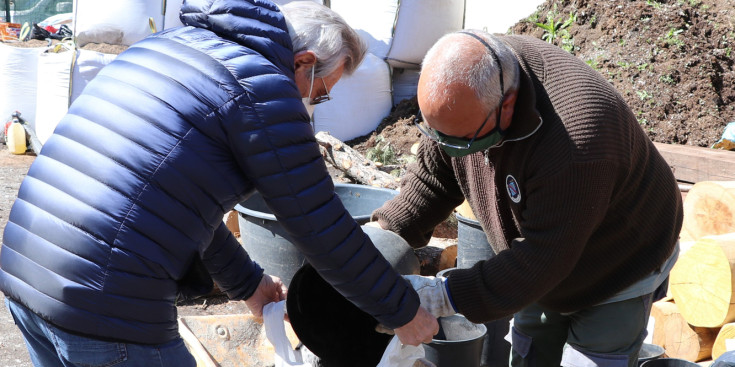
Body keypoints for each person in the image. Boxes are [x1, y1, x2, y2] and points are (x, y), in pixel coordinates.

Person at [0, 1, 437, 366]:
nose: (313, 102)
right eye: (321, 92)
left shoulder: (169, 46)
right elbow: (321, 229)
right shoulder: (264, 90)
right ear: (302, 62)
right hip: (106, 299)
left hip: (25, 272)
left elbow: (176, 204)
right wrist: (402, 310)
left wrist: (249, 285)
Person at [370, 29, 683, 367]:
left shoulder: (578, 140)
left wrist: (441, 296)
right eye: (437, 133)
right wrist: (380, 239)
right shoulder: (469, 87)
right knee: (530, 355)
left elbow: (542, 260)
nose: (450, 147)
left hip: (619, 259)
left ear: (507, 105)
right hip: (546, 253)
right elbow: (433, 177)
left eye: (462, 140)